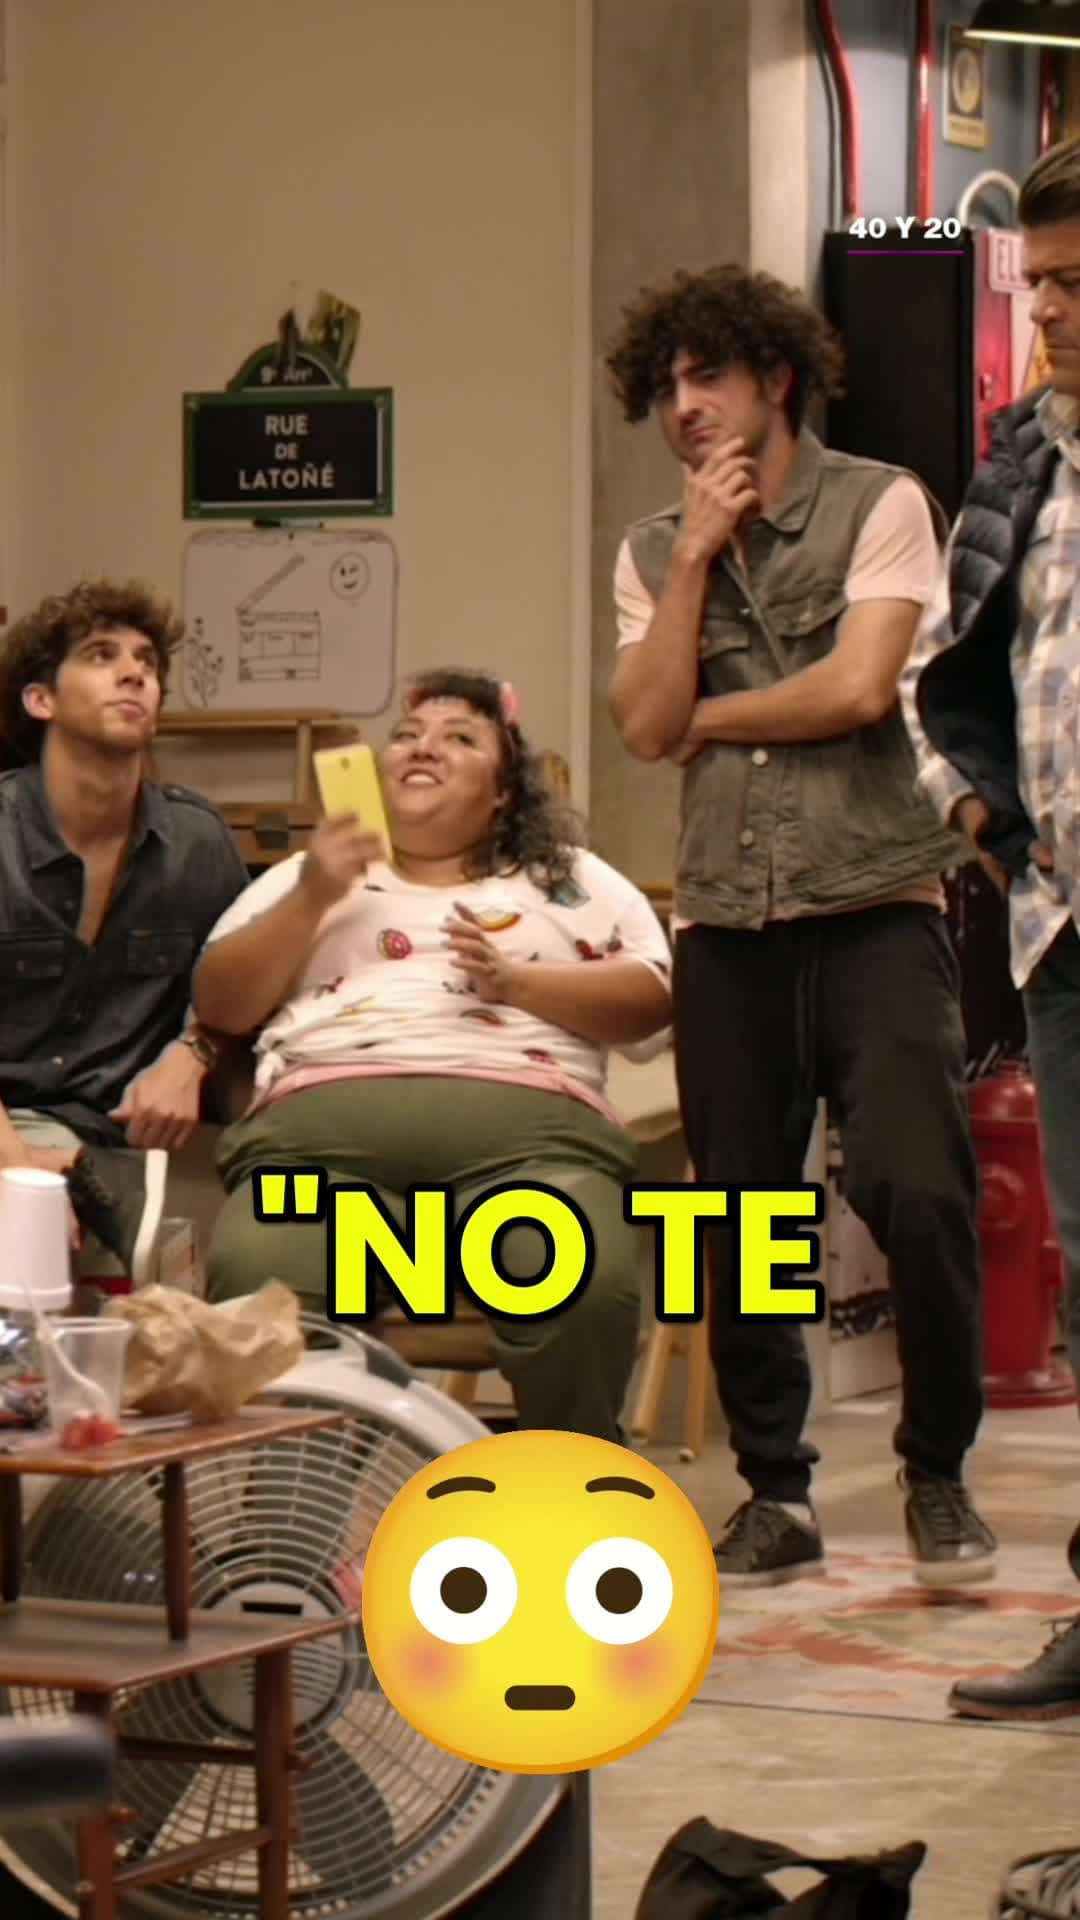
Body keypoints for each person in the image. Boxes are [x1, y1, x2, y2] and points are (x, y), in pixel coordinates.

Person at [606, 264, 995, 1587]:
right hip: (727, 917)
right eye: (666, 386)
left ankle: (937, 1470)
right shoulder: (652, 550)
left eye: (708, 376)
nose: (684, 407)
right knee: (739, 1217)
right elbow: (639, 722)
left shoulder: (882, 501)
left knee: (918, 1189)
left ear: (776, 378)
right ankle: (777, 1490)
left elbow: (858, 686)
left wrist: (700, 716)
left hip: (877, 901)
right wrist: (697, 556)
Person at [192, 668, 672, 1441]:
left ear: (504, 790)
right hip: (318, 1154)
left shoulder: (569, 878)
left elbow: (652, 997)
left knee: (581, 1281)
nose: (423, 748)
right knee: (260, 1277)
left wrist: (518, 983)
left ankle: (567, 1490)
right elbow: (220, 1004)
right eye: (408, 736)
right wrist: (314, 894)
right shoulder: (306, 878)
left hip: (533, 1152)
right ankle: (303, 1507)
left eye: (460, 739)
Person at [902, 134, 1080, 1716]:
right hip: (1065, 936)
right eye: (1045, 288)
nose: (1056, 317)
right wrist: (987, 828)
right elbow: (941, 681)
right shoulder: (1025, 458)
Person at [0, 580, 249, 1279]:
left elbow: (248, 990)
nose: (135, 672)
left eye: (147, 661)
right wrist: (18, 1171)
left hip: (126, 1143)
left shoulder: (196, 841)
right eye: (101, 655)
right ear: (41, 700)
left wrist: (193, 1054)